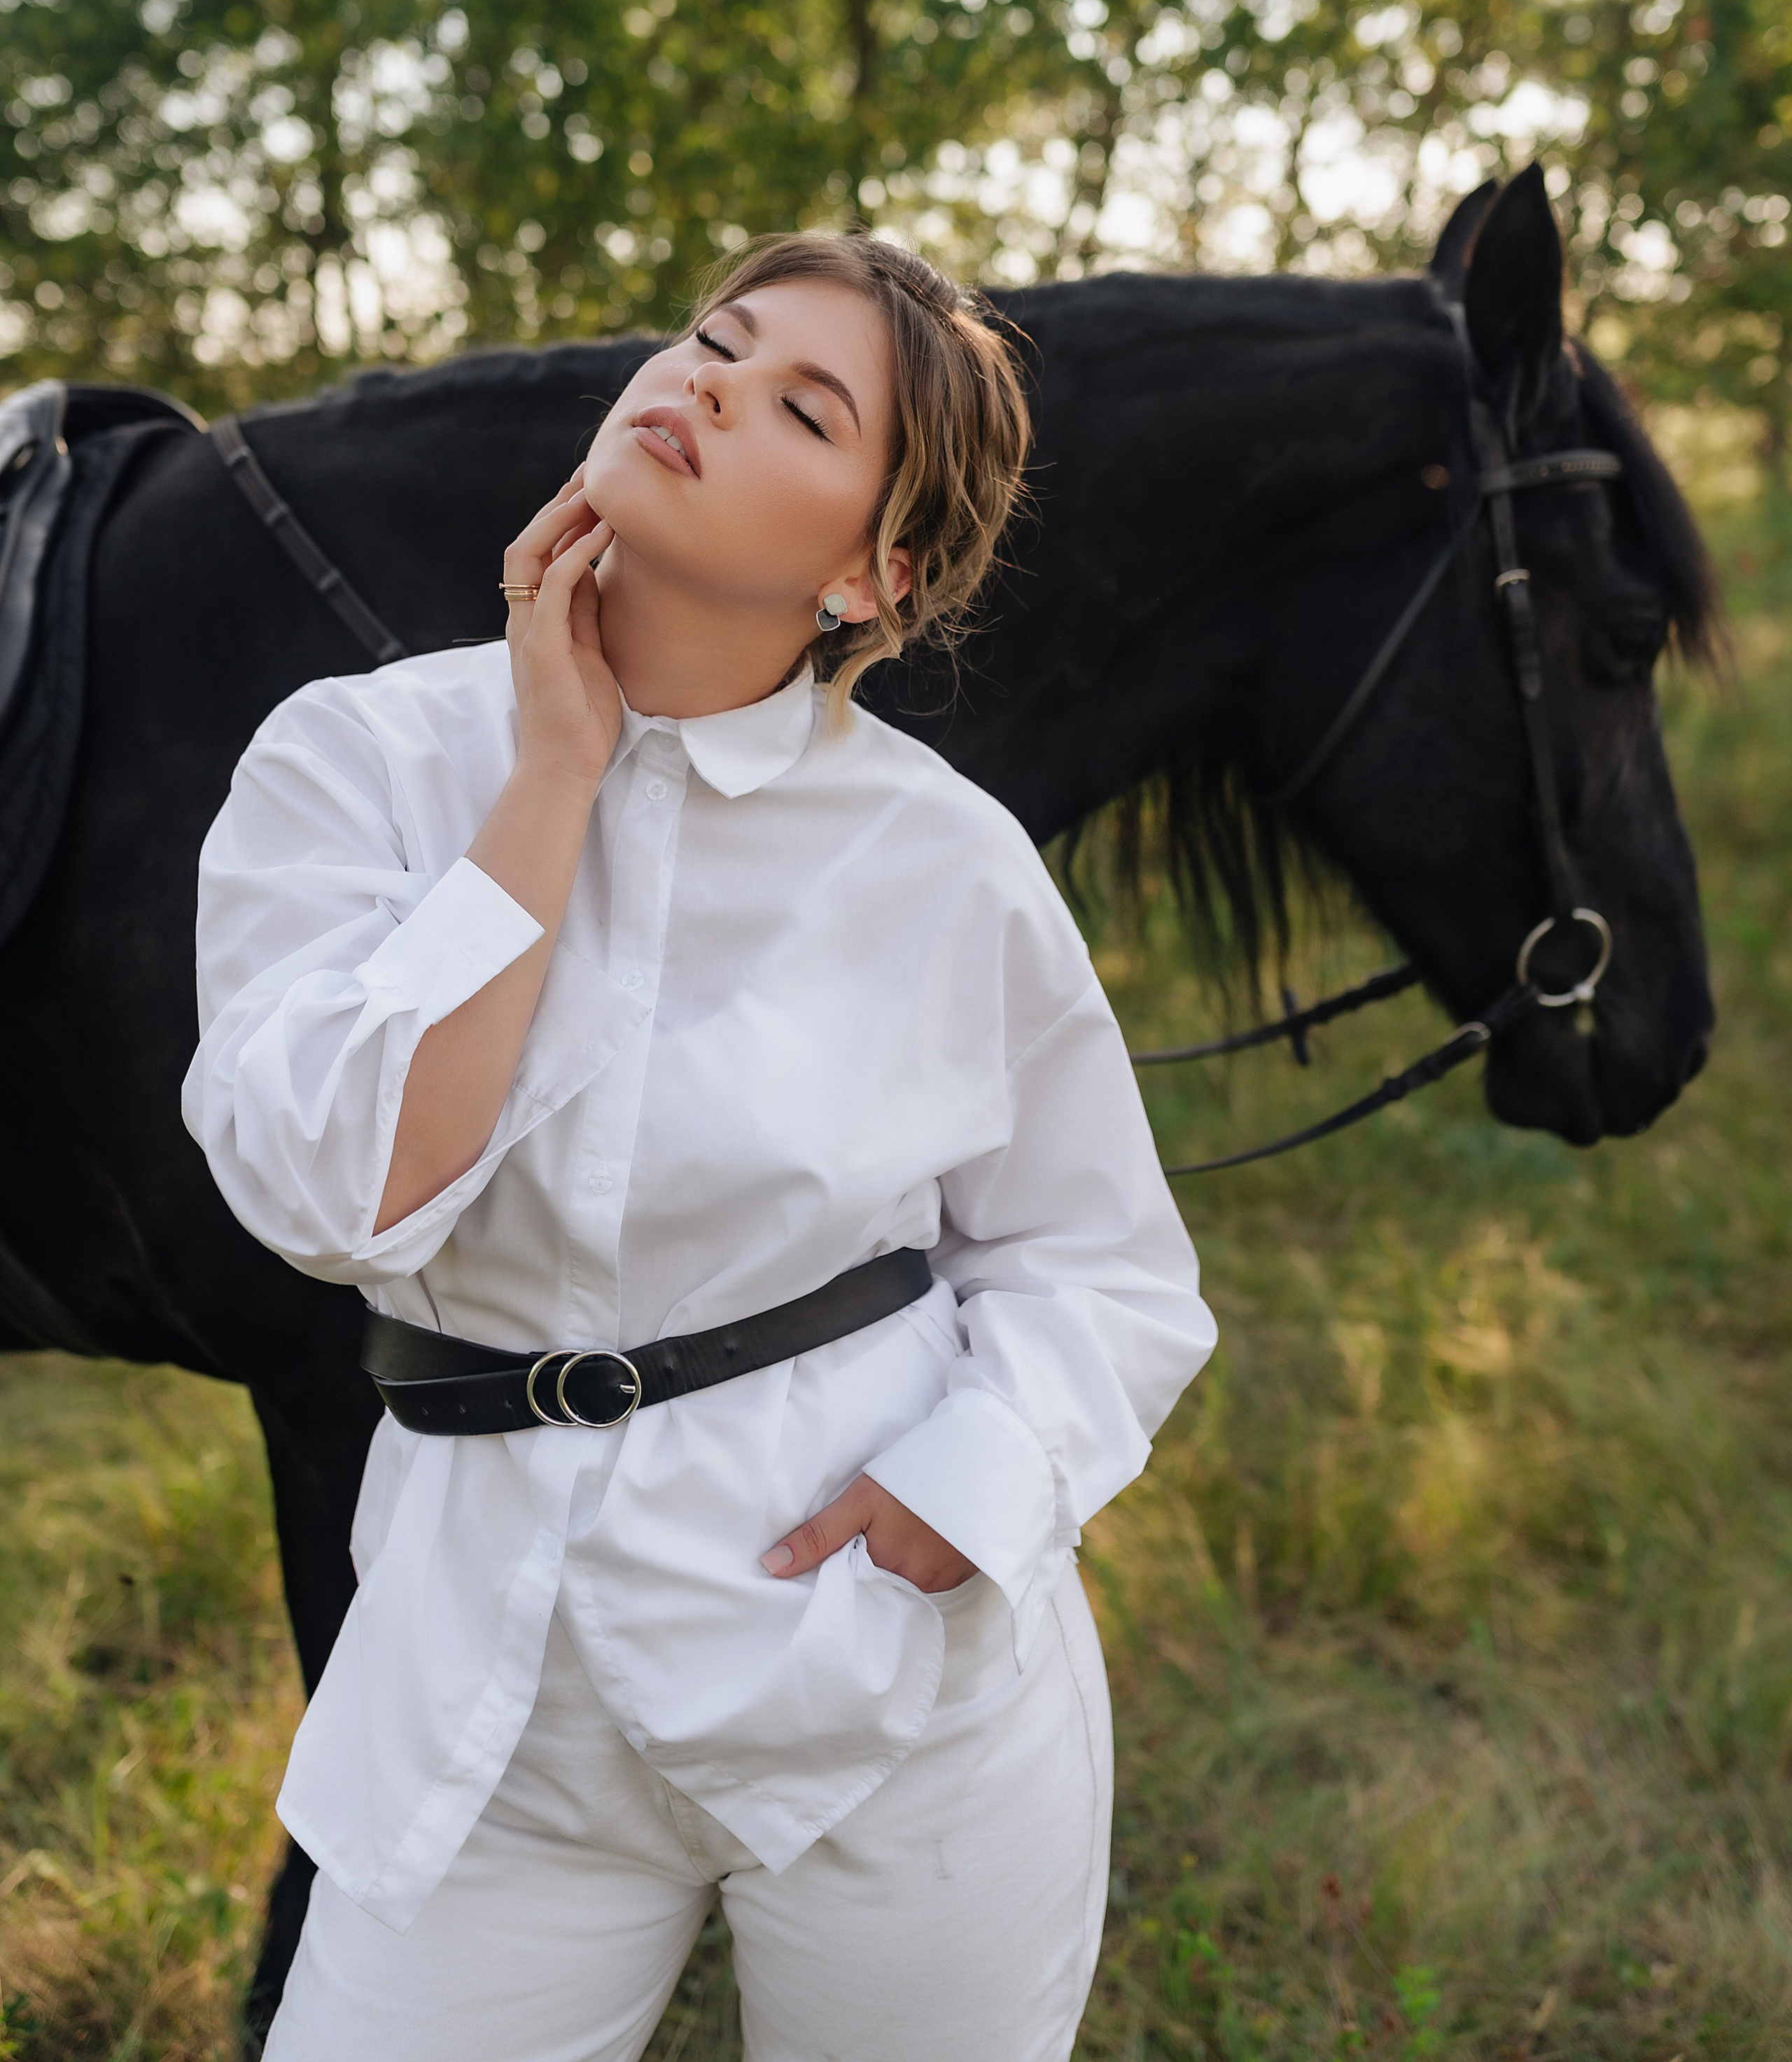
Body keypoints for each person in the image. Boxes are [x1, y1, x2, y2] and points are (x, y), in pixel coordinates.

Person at [184, 230, 1216, 2062]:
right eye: (713, 340)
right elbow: (331, 1190)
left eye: (802, 402)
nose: (711, 382)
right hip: (483, 1687)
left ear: (872, 570)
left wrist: (973, 1488)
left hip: (888, 1680)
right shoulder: (353, 763)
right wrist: (549, 779)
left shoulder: (944, 857)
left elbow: (1101, 1263)